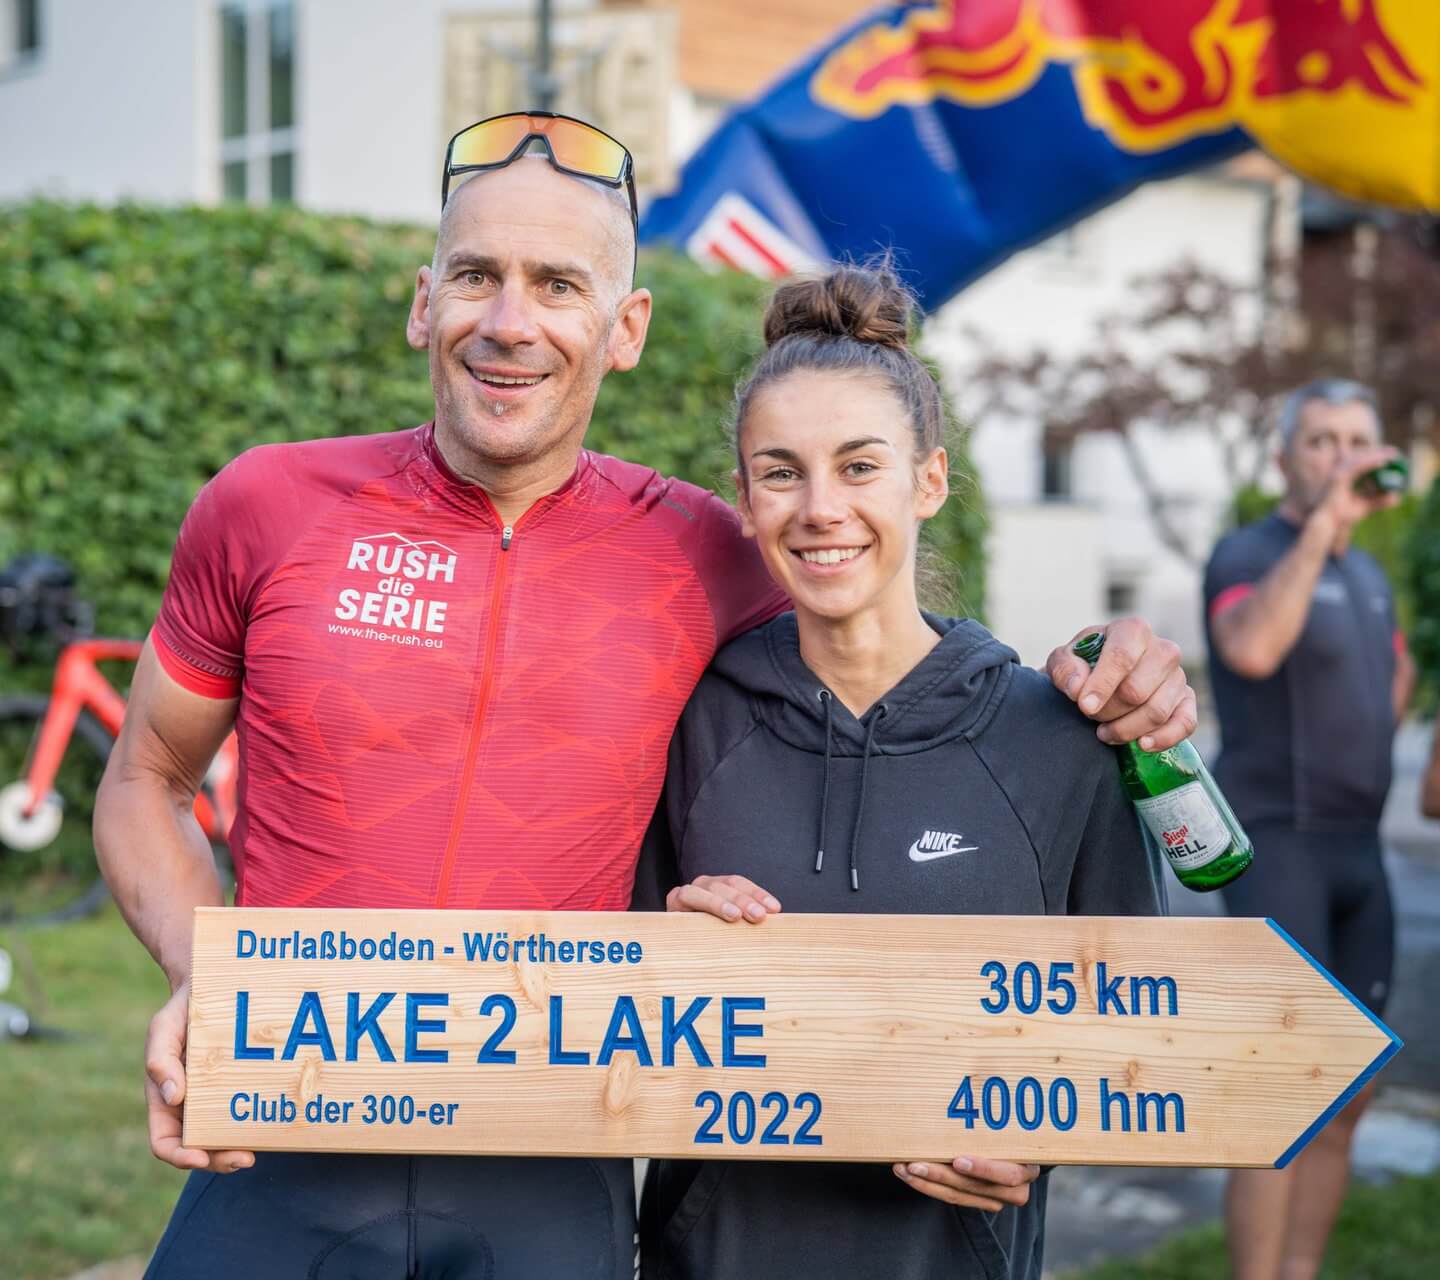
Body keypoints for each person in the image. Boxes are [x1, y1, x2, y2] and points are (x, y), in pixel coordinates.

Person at [94, 111, 1198, 1279]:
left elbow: (900, 676)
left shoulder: (710, 549)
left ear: (625, 330)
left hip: (548, 1166)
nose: (508, 321)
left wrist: (1105, 674)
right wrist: (200, 972)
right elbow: (146, 777)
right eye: (475, 275)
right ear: (424, 302)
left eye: (558, 284)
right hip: (280, 1132)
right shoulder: (267, 505)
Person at [631, 263, 1165, 1280]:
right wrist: (666, 954)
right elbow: (599, 1008)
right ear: (743, 500)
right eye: (781, 472)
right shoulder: (687, 724)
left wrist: (1041, 1136)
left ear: (929, 481)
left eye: (860, 466)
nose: (820, 507)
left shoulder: (1058, 740)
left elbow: (1142, 1028)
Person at [1204, 378, 1414, 1280]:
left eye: (1357, 441)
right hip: (1277, 846)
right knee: (1285, 1099)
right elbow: (1251, 647)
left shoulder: (1368, 575)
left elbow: (1392, 682)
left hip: (1360, 850)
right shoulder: (1248, 552)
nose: (1341, 458)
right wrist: (1325, 525)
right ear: (1284, 457)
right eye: (1321, 440)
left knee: (1350, 1091)